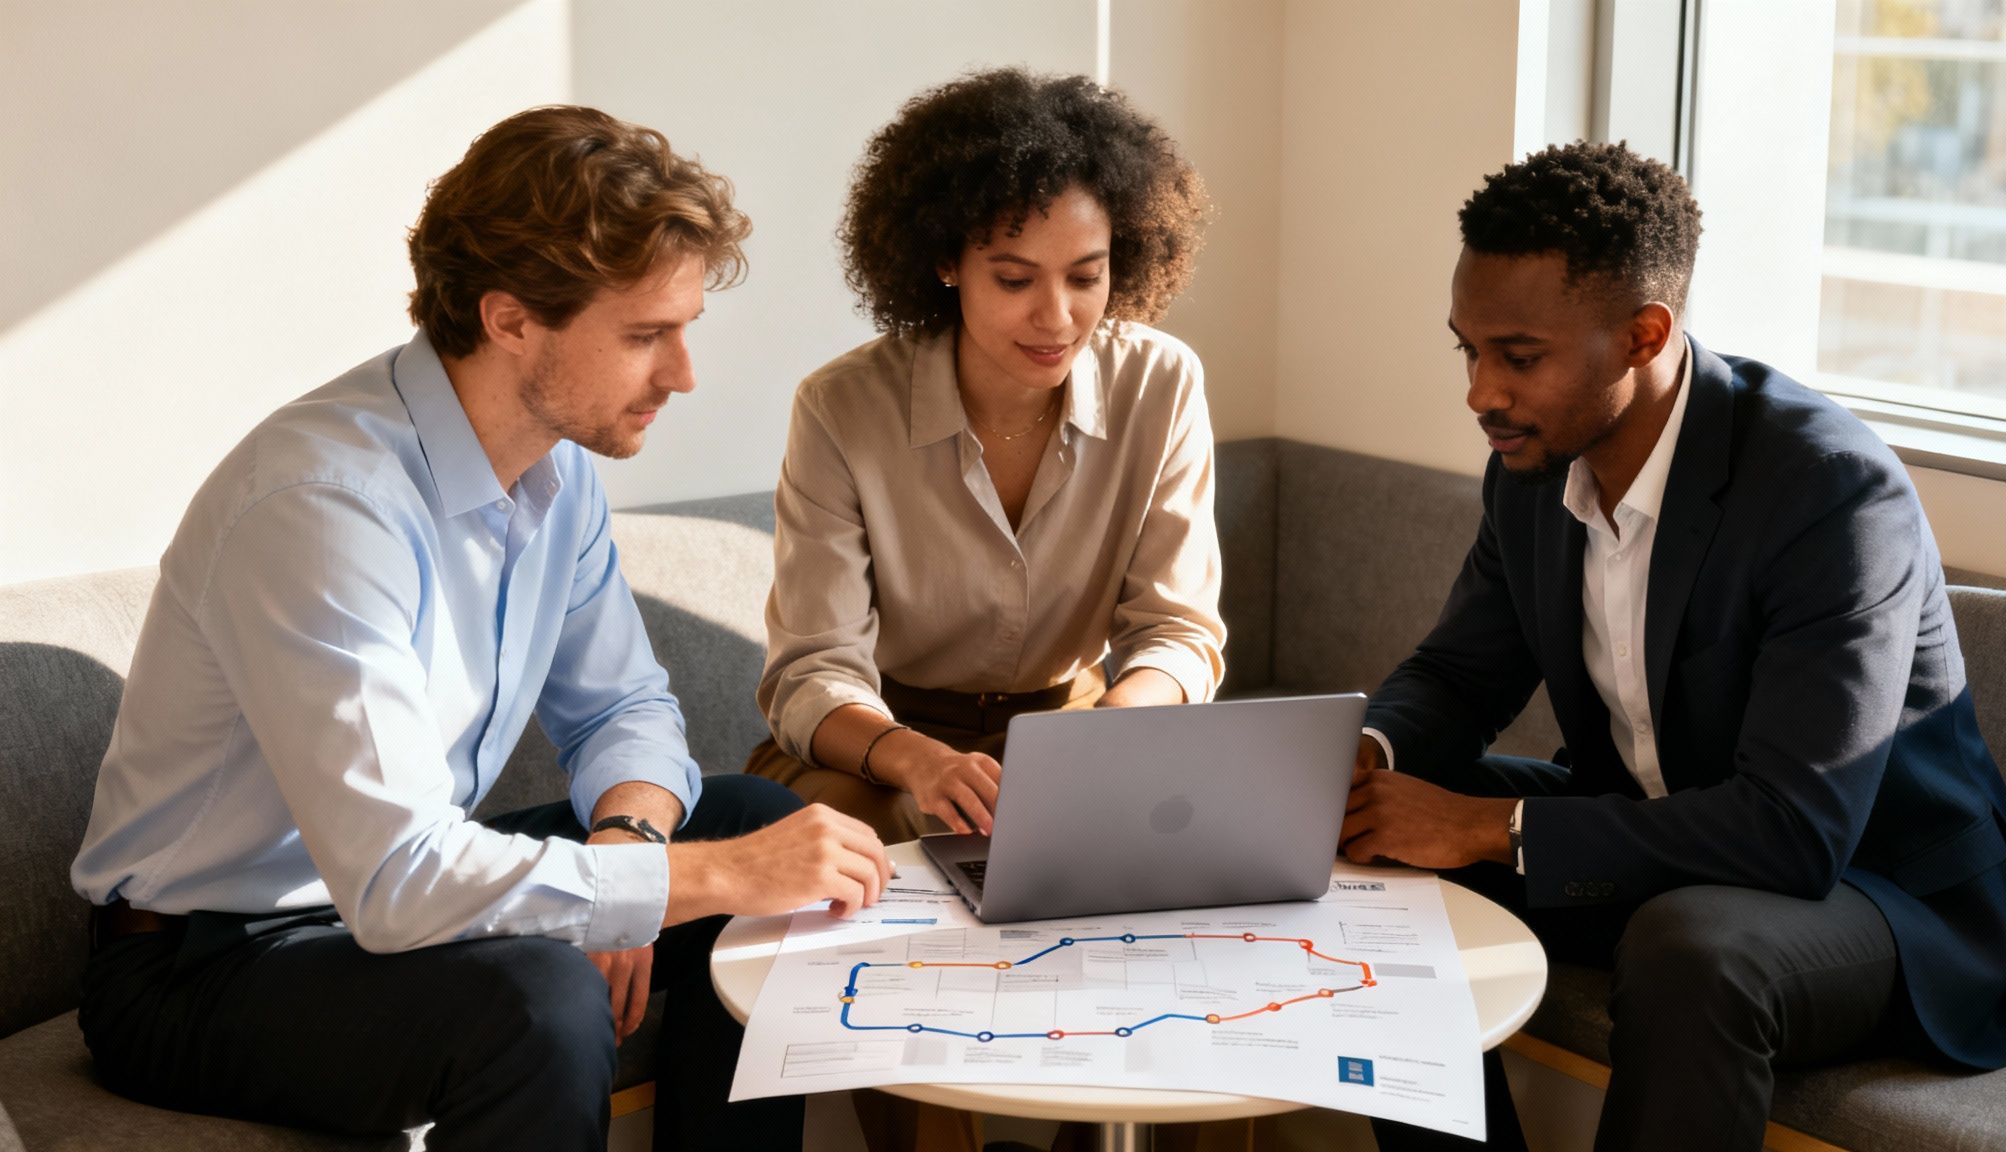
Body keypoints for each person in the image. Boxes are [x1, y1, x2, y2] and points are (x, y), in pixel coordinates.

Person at [69, 105, 891, 1152]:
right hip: (209, 963)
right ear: (509, 320)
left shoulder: (556, 472)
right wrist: (670, 888)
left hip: (386, 907)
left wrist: (630, 846)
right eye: (644, 336)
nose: (682, 375)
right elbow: (398, 881)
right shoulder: (321, 502)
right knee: (544, 997)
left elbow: (625, 707)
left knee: (745, 813)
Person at [1344, 140, 2006, 1151]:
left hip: (1874, 892)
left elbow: (1793, 831)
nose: (1479, 393)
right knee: (1370, 843)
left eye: (1518, 356)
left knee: (1688, 946)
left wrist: (1487, 827)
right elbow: (1458, 677)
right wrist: (1363, 761)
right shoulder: (1535, 465)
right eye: (1466, 349)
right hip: (1659, 830)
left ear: (1641, 334)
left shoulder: (1828, 492)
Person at [744, 68, 1226, 1152]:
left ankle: (1086, 1131)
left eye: (1086, 277)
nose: (1055, 317)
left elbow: (1176, 634)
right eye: (1013, 278)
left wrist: (1111, 736)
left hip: (1084, 725)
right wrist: (915, 760)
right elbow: (807, 670)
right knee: (861, 857)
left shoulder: (1162, 383)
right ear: (944, 261)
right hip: (874, 745)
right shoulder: (842, 406)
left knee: (1180, 878)